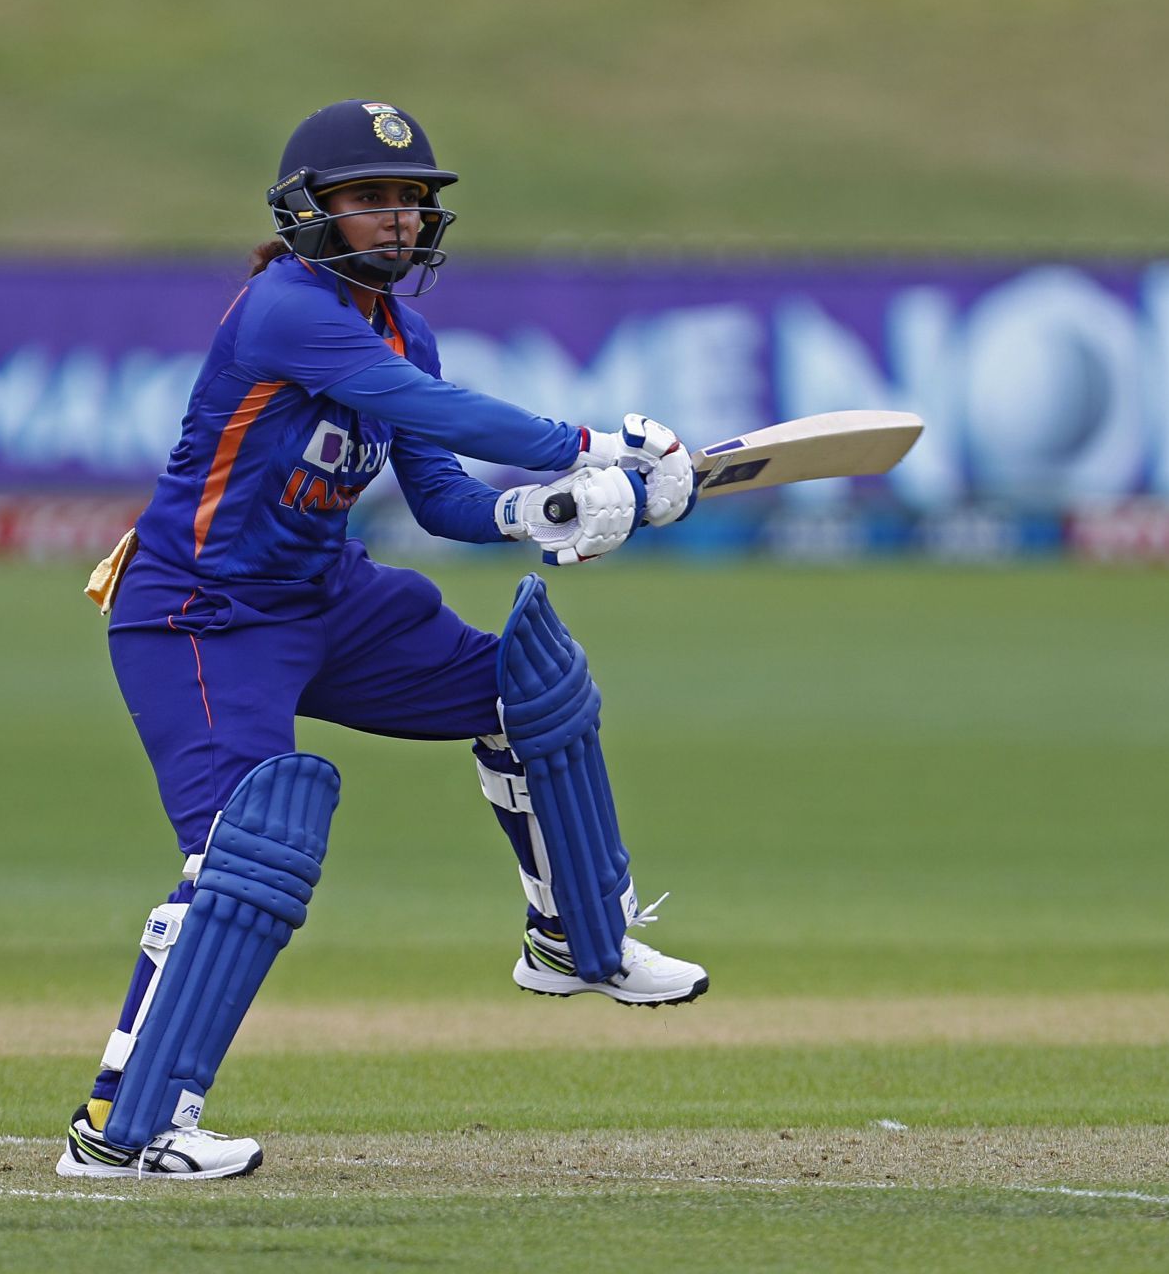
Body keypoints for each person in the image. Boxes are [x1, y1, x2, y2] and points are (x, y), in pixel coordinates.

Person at [58, 99, 707, 1181]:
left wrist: (537, 511)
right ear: (311, 210)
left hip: (325, 595)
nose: (399, 220)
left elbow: (446, 493)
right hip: (202, 616)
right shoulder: (285, 308)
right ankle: (123, 1129)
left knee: (529, 685)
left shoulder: (401, 324)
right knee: (250, 847)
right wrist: (599, 446)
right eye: (372, 200)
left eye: (412, 201)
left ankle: (575, 939)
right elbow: (433, 409)